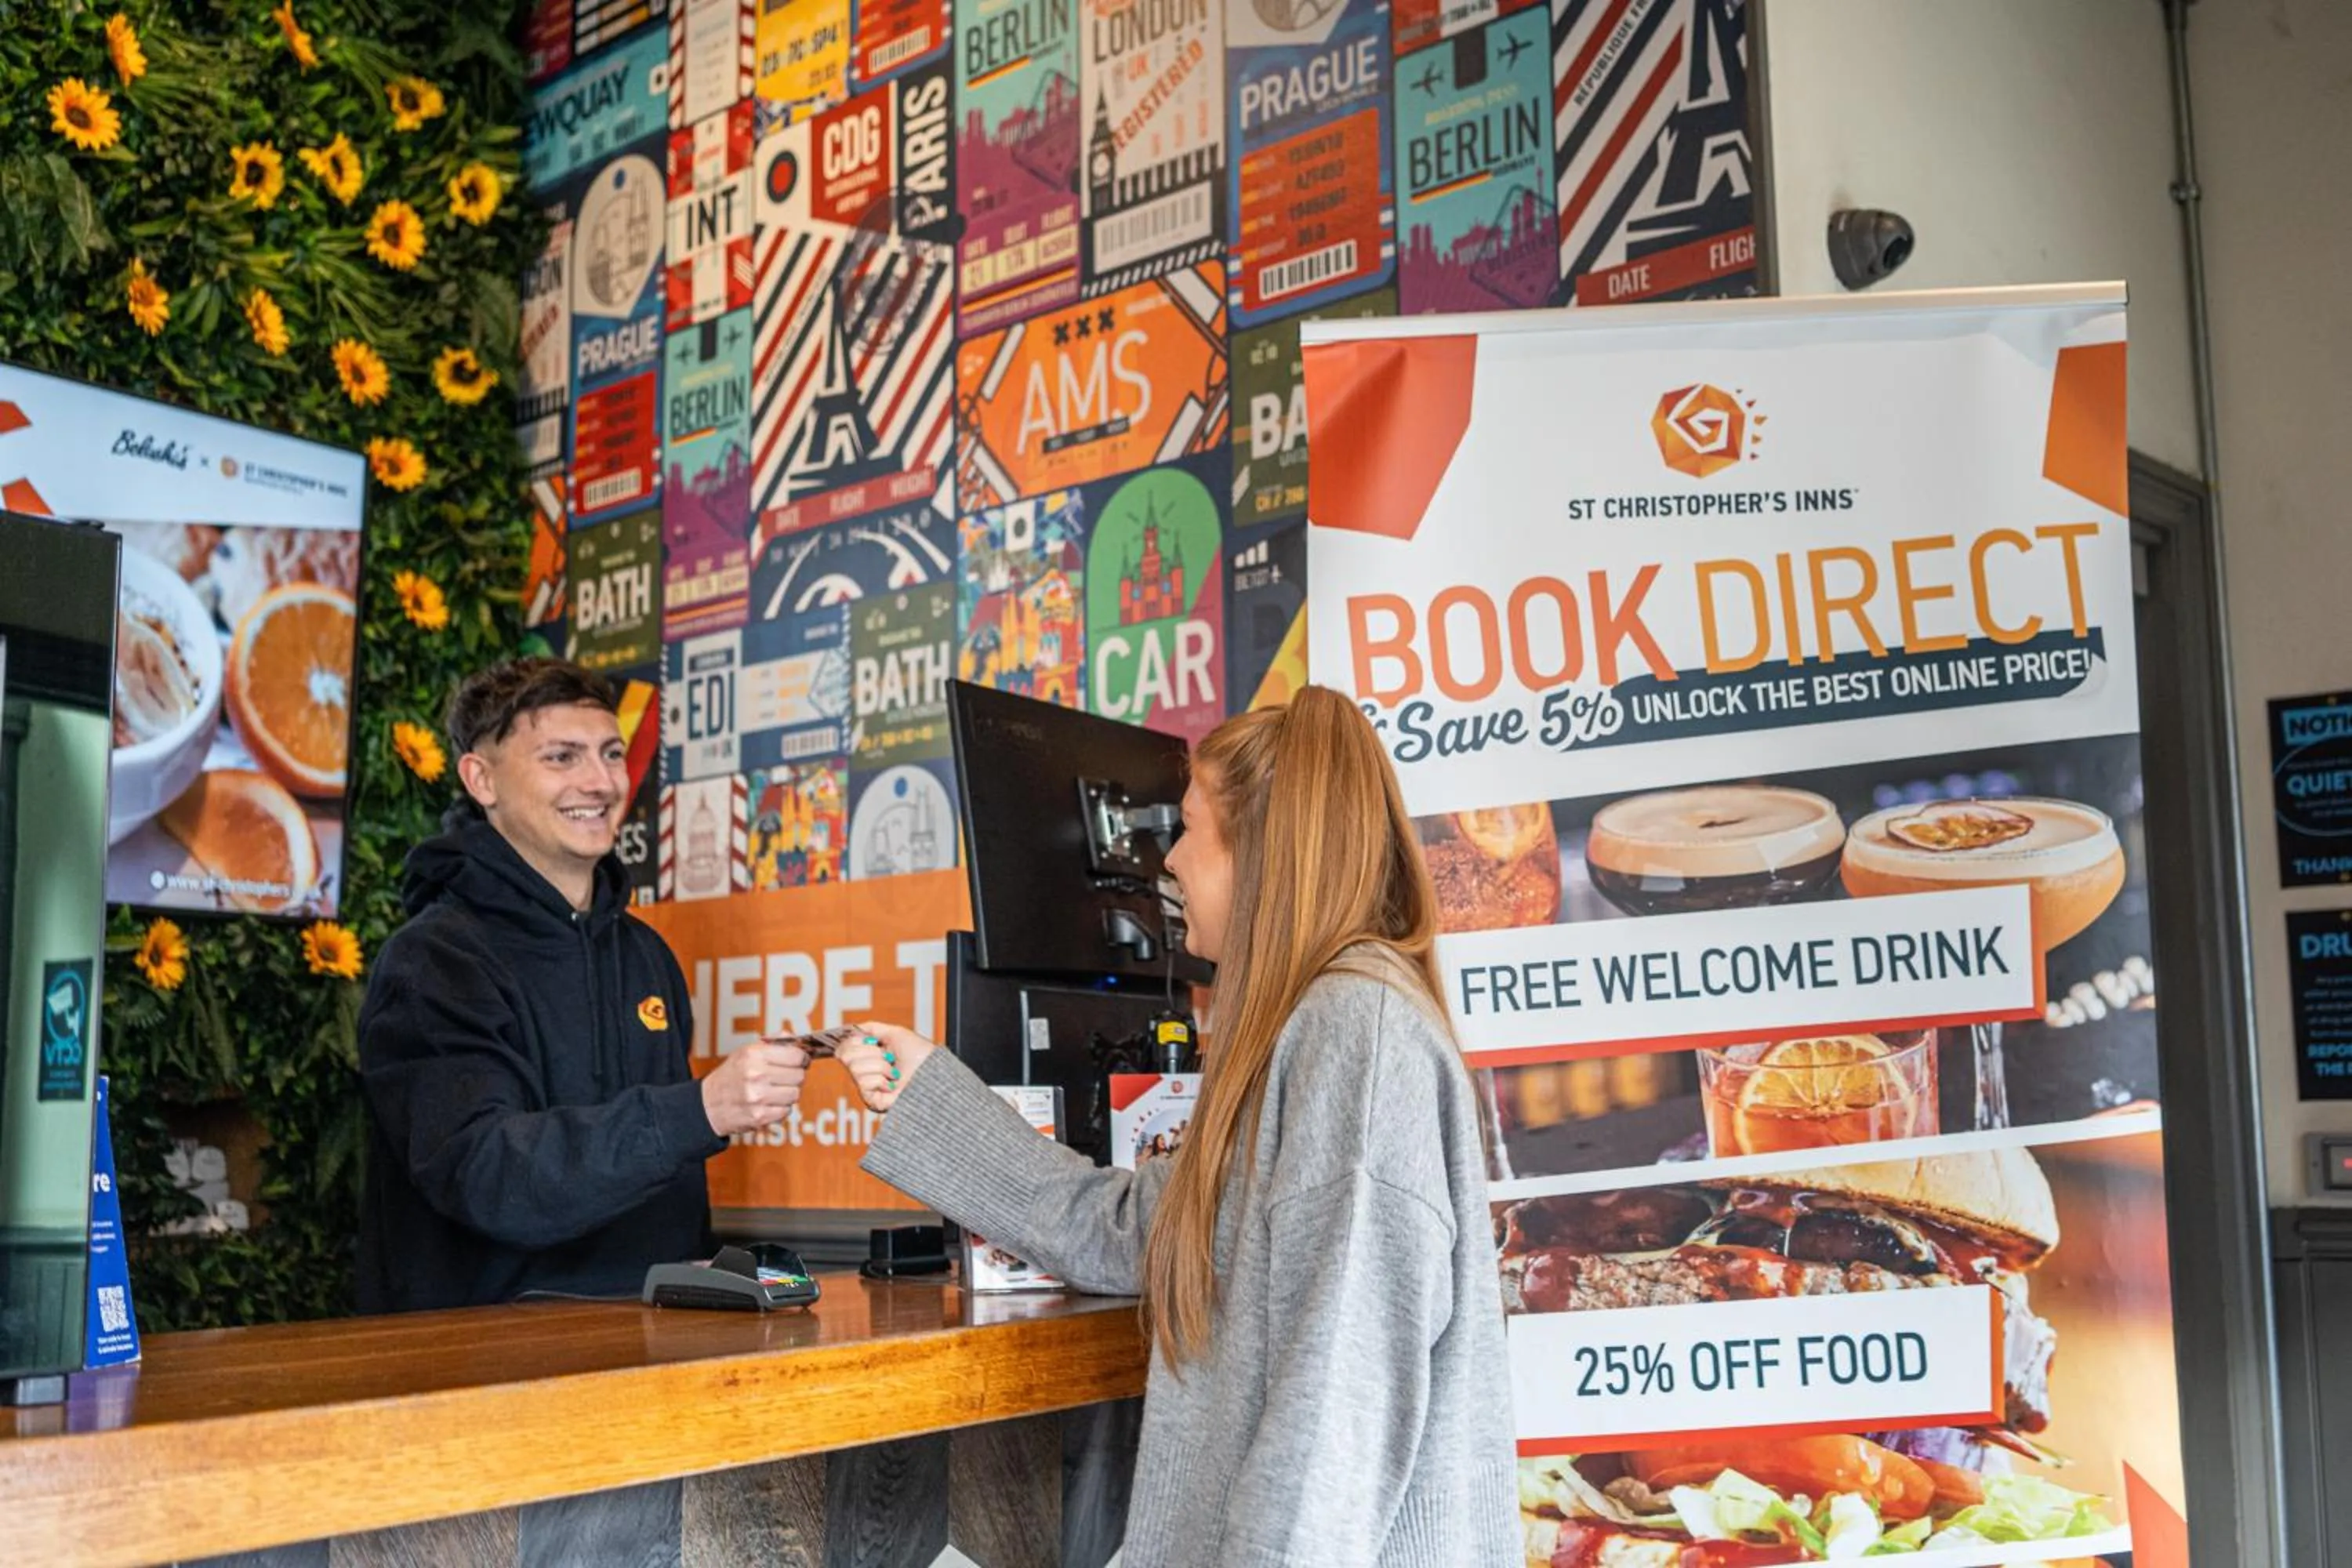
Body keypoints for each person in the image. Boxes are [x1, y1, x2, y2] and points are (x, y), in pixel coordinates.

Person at [836, 687, 1517, 1566]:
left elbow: (1334, 1414)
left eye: (1191, 831)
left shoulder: (1357, 1032)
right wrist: (929, 1090)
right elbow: (1130, 1232)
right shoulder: (1306, 1027)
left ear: (1262, 853)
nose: (1171, 865)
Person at [355, 659, 811, 1312]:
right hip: (479, 1376)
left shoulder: (647, 956)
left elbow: (672, 1198)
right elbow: (488, 1175)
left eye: (611, 753)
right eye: (562, 757)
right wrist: (700, 1110)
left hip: (650, 1357)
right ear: (480, 778)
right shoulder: (432, 961)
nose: (599, 782)